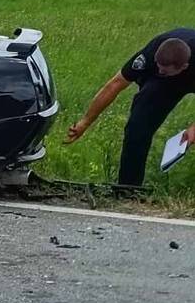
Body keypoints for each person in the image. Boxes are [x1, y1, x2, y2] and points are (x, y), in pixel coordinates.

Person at [65, 29, 195, 186]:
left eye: (164, 71)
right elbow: (115, 84)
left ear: (184, 67)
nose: (159, 71)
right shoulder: (151, 55)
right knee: (137, 129)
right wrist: (85, 121)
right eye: (158, 67)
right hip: (165, 84)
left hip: (186, 74)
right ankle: (129, 188)